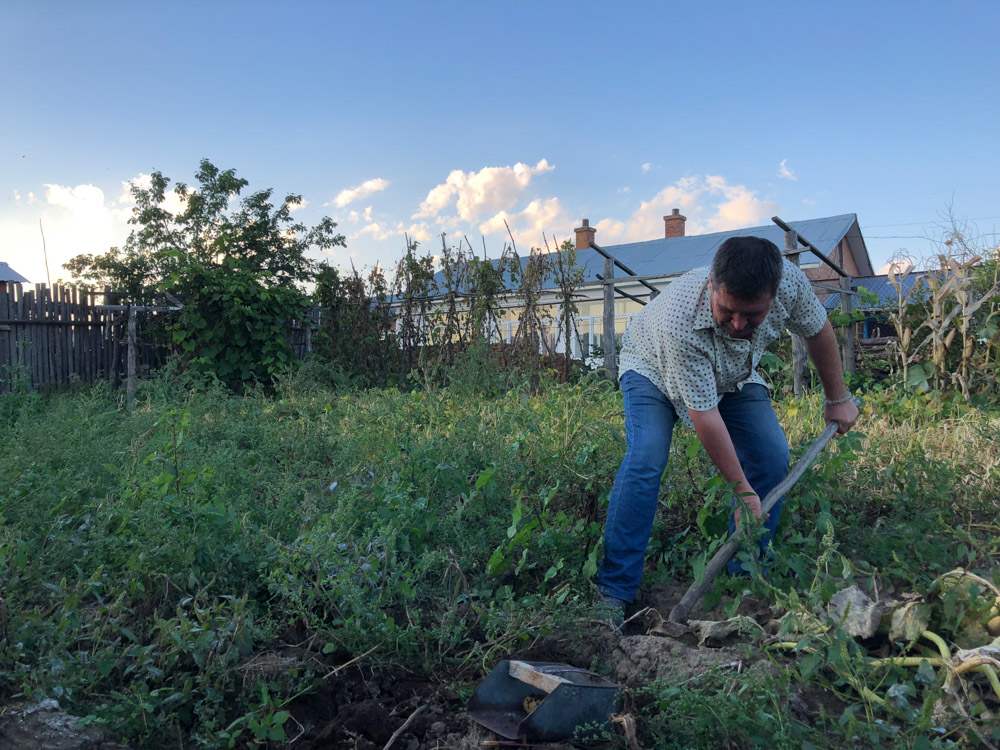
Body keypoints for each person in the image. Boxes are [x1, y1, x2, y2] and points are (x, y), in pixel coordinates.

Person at [597, 236, 859, 622]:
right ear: (712, 285)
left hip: (734, 372)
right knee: (647, 456)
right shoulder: (680, 319)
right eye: (728, 311)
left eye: (752, 315)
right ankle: (614, 592)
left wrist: (837, 398)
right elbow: (705, 416)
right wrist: (741, 490)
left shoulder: (791, 284)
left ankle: (747, 577)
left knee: (771, 456)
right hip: (650, 367)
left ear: (772, 295)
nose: (738, 324)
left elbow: (818, 331)